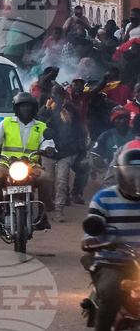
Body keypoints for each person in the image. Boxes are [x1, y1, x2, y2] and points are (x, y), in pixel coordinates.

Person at [83, 147, 140, 331]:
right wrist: (91, 238)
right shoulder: (103, 198)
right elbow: (93, 226)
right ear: (121, 174)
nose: (135, 179)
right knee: (111, 290)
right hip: (112, 262)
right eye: (131, 174)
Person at [0, 91, 56, 231]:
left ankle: (43, 215)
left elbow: (48, 142)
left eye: (28, 106)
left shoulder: (41, 126)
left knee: (46, 179)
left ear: (34, 108)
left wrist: (49, 149)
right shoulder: (6, 123)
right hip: (6, 164)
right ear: (16, 108)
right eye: (22, 106)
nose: (25, 109)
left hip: (31, 165)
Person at [46, 91, 90, 221]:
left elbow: (77, 129)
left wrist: (79, 150)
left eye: (61, 95)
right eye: (55, 94)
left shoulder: (71, 110)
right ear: (52, 95)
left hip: (66, 152)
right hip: (47, 152)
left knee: (62, 181)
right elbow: (40, 128)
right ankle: (46, 209)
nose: (58, 97)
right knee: (48, 182)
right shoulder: (45, 109)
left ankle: (59, 211)